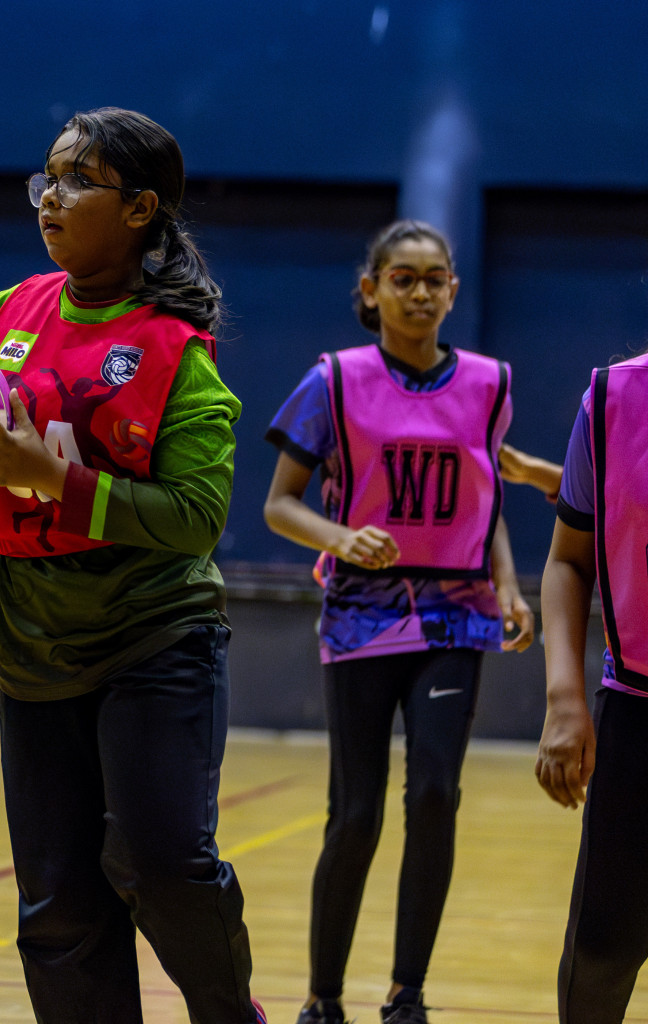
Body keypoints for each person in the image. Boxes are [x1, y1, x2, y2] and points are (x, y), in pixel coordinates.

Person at [0, 107, 268, 1024]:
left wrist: (55, 478)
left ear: (139, 209)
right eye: (47, 177)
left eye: (78, 180)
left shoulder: (173, 348)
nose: (52, 196)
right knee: (57, 909)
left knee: (159, 867)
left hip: (152, 637)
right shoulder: (3, 314)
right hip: (31, 640)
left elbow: (196, 520)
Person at [261, 220, 556, 1024]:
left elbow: (484, 500)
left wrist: (509, 587)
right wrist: (339, 537)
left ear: (453, 291)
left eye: (434, 280)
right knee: (355, 814)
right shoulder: (332, 380)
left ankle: (407, 994)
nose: (420, 292)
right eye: (403, 278)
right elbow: (280, 504)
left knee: (433, 794)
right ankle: (323, 998)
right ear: (372, 289)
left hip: (457, 614)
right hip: (363, 614)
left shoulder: (489, 383)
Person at [536, 350, 648, 1024]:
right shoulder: (611, 399)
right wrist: (564, 699)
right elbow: (567, 562)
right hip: (636, 709)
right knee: (602, 953)